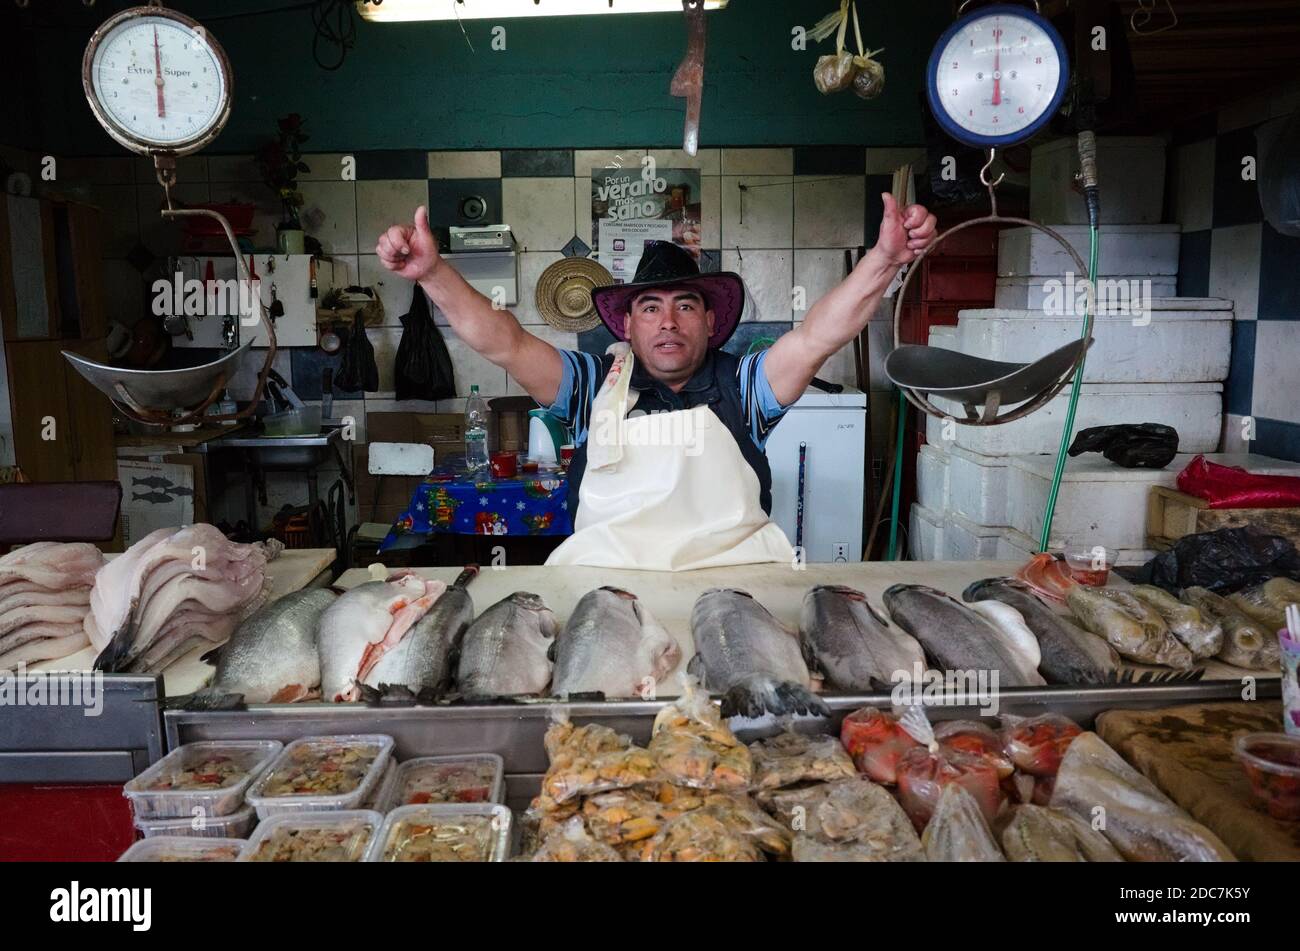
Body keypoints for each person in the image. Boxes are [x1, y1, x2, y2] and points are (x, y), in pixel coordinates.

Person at [376, 194, 937, 569]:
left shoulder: (747, 384)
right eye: (650, 307)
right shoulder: (592, 383)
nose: (667, 321)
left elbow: (818, 335)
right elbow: (505, 342)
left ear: (711, 321)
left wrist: (885, 260)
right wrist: (433, 273)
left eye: (685, 305)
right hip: (610, 587)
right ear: (627, 324)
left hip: (732, 584)